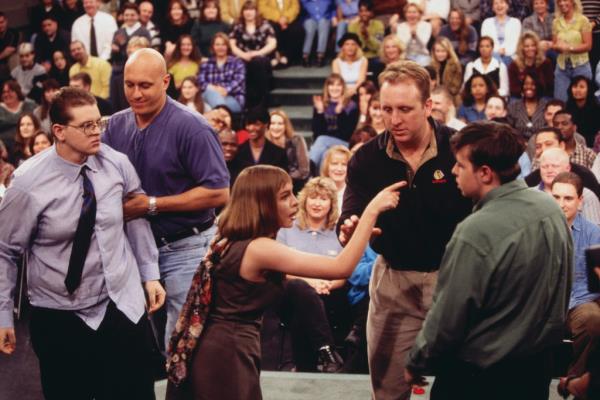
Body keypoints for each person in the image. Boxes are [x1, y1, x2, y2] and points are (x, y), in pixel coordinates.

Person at [165, 164, 403, 399]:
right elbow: (340, 268)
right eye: (285, 196)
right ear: (262, 202)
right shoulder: (260, 248)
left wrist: (358, 237)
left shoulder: (234, 239)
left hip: (223, 348)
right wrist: (372, 211)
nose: (295, 202)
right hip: (227, 354)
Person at [0, 86, 166, 399]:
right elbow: (5, 251)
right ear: (59, 131)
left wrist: (149, 273)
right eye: (87, 125)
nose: (96, 132)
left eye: (98, 123)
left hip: (119, 303)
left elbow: (136, 213)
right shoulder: (27, 183)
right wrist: (3, 314)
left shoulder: (116, 164)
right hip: (60, 313)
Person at [404, 121, 572, 400]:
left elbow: (448, 316)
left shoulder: (476, 231)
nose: (453, 171)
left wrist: (416, 360)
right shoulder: (550, 209)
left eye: (459, 164)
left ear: (484, 173)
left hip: (478, 378)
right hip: (535, 371)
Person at [338, 60, 472, 399]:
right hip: (393, 282)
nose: (394, 119)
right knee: (387, 390)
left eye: (405, 109)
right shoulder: (365, 158)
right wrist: (350, 225)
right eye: (386, 109)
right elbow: (351, 209)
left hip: (455, 280)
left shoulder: (460, 149)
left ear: (428, 106)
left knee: (464, 387)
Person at [102, 48, 230, 347]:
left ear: (166, 81)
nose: (136, 93)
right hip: (134, 250)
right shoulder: (116, 125)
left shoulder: (193, 127)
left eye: (144, 85)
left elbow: (218, 192)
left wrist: (151, 204)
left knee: (182, 345)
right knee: (144, 347)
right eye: (129, 84)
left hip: (186, 247)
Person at [277, 176, 347, 372]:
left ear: (331, 204)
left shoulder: (338, 231)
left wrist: (328, 285)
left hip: (330, 295)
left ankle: (305, 366)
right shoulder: (287, 228)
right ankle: (327, 351)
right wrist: (312, 282)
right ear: (304, 200)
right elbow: (280, 269)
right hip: (289, 295)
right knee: (301, 290)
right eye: (313, 198)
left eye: (323, 199)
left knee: (307, 307)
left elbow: (344, 273)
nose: (317, 203)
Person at [550, 171, 600, 395]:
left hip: (579, 301)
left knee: (592, 319)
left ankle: (574, 380)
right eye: (556, 197)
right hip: (543, 303)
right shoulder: (537, 229)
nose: (561, 204)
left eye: (568, 198)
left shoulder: (594, 233)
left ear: (580, 202)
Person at [526, 127, 600, 199]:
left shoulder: (584, 175)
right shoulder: (532, 180)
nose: (543, 149)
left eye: (548, 144)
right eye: (538, 146)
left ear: (562, 145)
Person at [229, 0, 277, 108]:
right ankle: (251, 101)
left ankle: (263, 99)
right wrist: (243, 55)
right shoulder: (237, 26)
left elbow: (273, 43)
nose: (248, 12)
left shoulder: (265, 25)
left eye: (251, 10)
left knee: (259, 62)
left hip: (260, 58)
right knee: (242, 64)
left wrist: (258, 53)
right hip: (242, 57)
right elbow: (232, 44)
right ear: (242, 12)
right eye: (246, 10)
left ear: (256, 12)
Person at [309, 73, 359, 168]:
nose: (334, 88)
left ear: (343, 87)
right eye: (331, 84)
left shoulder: (351, 106)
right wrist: (320, 112)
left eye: (338, 85)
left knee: (322, 140)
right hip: (323, 145)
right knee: (325, 155)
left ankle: (308, 167)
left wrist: (340, 112)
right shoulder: (321, 104)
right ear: (327, 87)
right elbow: (316, 132)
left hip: (343, 142)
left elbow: (346, 134)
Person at [539, 147, 600, 224]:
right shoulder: (531, 195)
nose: (549, 170)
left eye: (555, 166)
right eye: (544, 167)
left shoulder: (586, 195)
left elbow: (594, 232)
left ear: (567, 168)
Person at [110, 3, 151, 111]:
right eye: (126, 15)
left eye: (132, 15)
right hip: (122, 69)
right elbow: (114, 57)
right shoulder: (118, 32)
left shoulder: (144, 32)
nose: (129, 17)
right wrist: (115, 51)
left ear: (138, 16)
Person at [553, 0, 593, 101]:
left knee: (583, 101)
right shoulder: (556, 22)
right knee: (560, 101)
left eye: (565, 0)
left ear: (573, 2)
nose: (562, 3)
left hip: (581, 66)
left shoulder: (583, 20)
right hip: (562, 68)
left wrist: (569, 48)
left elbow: (588, 46)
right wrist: (551, 46)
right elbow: (556, 46)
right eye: (559, 1)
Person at [232, 107, 288, 180]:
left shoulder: (279, 154)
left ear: (266, 125)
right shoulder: (238, 152)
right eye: (248, 124)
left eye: (256, 124)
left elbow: (282, 181)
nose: (251, 128)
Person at [197, 33, 245, 113]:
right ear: (213, 47)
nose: (220, 47)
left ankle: (218, 114)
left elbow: (238, 81)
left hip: (233, 99)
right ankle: (221, 116)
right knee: (209, 93)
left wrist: (225, 90)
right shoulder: (206, 64)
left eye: (223, 44)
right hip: (209, 97)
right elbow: (200, 82)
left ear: (227, 47)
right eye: (217, 44)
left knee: (208, 107)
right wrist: (214, 89)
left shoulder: (237, 63)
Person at [266, 109, 310, 192]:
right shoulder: (264, 143)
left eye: (280, 124)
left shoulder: (296, 140)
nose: (276, 127)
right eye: (273, 123)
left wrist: (284, 179)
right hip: (270, 185)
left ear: (285, 126)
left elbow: (304, 170)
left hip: (294, 183)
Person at [508, 30, 554, 98]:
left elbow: (549, 86)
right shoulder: (514, 65)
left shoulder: (546, 63)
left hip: (541, 96)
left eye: (533, 45)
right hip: (521, 96)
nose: (530, 48)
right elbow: (514, 89)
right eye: (527, 46)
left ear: (537, 47)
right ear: (522, 48)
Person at [258, 0, 303, 67]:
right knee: (273, 29)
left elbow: (295, 7)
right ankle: (274, 57)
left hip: (289, 19)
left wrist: (286, 18)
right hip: (272, 19)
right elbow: (262, 8)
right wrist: (279, 18)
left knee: (297, 30)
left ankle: (287, 57)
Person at [507, 72, 549, 139]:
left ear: (538, 86)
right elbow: (509, 130)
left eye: (533, 84)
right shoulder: (513, 106)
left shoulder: (546, 107)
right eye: (526, 84)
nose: (529, 87)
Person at [480, 0, 521, 66]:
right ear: (493, 8)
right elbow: (486, 42)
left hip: (511, 56)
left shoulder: (516, 22)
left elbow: (516, 42)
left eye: (502, 2)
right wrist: (498, 51)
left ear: (507, 6)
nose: (499, 5)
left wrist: (505, 51)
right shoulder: (486, 22)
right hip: (492, 55)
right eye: (496, 3)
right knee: (495, 60)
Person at [347, 0, 385, 70]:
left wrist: (367, 37)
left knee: (379, 63)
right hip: (358, 57)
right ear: (358, 12)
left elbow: (378, 46)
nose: (364, 13)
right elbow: (352, 47)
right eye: (361, 11)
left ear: (372, 12)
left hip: (374, 57)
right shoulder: (352, 27)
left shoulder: (378, 25)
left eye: (367, 11)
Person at [0, 80, 37, 148]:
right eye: (4, 92)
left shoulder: (29, 106)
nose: (6, 94)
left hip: (29, 144)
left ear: (17, 92)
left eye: (10, 91)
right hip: (4, 147)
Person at [566, 75, 600, 147]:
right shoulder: (566, 109)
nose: (578, 90)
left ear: (588, 90)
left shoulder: (596, 110)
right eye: (575, 86)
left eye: (582, 87)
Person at [301, 0, 334, 67]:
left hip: (325, 18)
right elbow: (301, 12)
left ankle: (320, 55)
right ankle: (305, 55)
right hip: (309, 19)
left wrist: (334, 16)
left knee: (323, 23)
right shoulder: (305, 1)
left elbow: (334, 8)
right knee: (310, 28)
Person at [429, 36, 462, 102]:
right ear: (434, 52)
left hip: (451, 98)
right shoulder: (431, 65)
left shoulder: (455, 65)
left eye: (443, 51)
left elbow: (455, 88)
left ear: (448, 51)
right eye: (438, 51)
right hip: (434, 96)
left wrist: (443, 95)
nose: (440, 54)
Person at [321, 145, 351, 213]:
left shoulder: (353, 193)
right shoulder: (317, 189)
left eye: (344, 164)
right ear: (327, 166)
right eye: (334, 164)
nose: (339, 169)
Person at [0, 12, 18, 82]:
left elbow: (10, 50)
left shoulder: (13, 33)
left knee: (14, 57)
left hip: (9, 60)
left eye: (2, 22)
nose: (0, 25)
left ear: (6, 21)